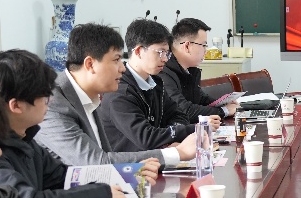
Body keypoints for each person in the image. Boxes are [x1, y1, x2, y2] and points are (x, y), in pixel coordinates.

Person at [0, 49, 129, 198]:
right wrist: (100, 194)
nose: (50, 102)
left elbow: (64, 179)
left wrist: (123, 178)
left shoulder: (27, 141)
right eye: (45, 97)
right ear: (16, 106)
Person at [36, 23, 193, 168]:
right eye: (116, 60)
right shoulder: (53, 104)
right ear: (90, 64)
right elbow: (96, 162)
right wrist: (178, 153)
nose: (122, 68)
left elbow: (105, 156)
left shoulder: (91, 97)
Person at [98, 18, 219, 153]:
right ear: (138, 51)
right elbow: (147, 138)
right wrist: (195, 128)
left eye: (167, 53)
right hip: (132, 164)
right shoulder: (120, 92)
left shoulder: (155, 83)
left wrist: (168, 137)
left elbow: (179, 115)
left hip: (158, 157)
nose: (165, 59)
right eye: (160, 52)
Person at [163, 16, 238, 121]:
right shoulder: (163, 73)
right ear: (187, 46)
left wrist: (224, 104)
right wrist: (224, 111)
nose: (206, 51)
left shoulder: (189, 69)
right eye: (203, 45)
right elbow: (183, 110)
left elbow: (200, 98)